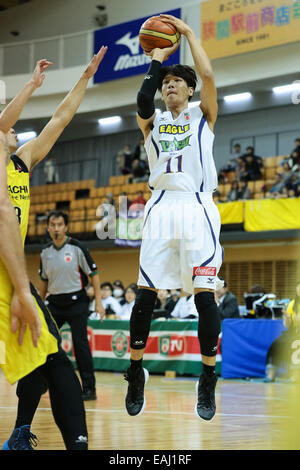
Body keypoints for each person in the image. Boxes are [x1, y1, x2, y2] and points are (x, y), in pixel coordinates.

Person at [2, 47, 108, 450]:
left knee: (45, 362)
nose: (16, 132)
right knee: (52, 362)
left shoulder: (21, 162)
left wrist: (84, 77)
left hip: (12, 275)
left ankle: (19, 434)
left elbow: (60, 118)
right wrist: (30, 85)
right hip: (9, 278)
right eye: (10, 128)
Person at [123, 14, 223, 422]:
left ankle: (207, 379)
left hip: (198, 205)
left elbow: (209, 72)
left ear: (190, 89)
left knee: (204, 297)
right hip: (161, 205)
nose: (168, 87)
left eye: (175, 82)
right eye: (165, 83)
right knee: (145, 295)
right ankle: (134, 371)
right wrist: (156, 61)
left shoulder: (204, 115)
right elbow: (141, 103)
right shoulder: (153, 121)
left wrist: (188, 34)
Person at [39, 210, 105, 400]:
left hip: (77, 302)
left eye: (60, 225)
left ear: (66, 227)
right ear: (48, 228)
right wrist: (40, 305)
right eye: (53, 225)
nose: (56, 228)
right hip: (54, 304)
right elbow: (43, 280)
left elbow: (94, 275)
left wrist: (99, 302)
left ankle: (89, 388)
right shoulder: (45, 252)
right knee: (45, 342)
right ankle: (42, 383)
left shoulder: (77, 247)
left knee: (80, 344)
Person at [265, 281, 300, 382]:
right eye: (298, 286)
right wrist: (288, 318)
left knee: (295, 343)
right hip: (293, 331)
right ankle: (271, 374)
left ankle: (296, 375)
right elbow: (287, 325)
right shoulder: (292, 304)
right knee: (276, 344)